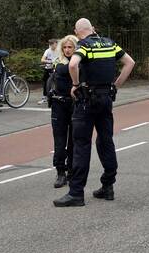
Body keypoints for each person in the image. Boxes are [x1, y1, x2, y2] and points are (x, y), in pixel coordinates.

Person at [54, 18, 135, 207]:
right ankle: (108, 186)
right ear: (93, 29)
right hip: (106, 99)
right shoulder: (109, 44)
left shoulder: (84, 46)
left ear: (76, 31)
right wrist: (115, 86)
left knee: (82, 144)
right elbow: (130, 62)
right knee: (106, 140)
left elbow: (73, 65)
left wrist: (75, 85)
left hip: (86, 100)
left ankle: (76, 193)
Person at [49, 35, 78, 188]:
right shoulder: (59, 62)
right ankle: (60, 172)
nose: (67, 50)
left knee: (74, 140)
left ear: (75, 48)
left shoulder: (79, 62)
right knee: (59, 141)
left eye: (70, 47)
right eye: (65, 47)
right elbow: (63, 70)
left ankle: (72, 170)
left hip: (74, 105)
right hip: (59, 104)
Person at [39, 39, 59, 104]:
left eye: (54, 44)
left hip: (56, 67)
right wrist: (49, 61)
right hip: (48, 67)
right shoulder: (47, 51)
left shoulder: (59, 50)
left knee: (59, 80)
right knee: (45, 81)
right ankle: (45, 96)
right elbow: (42, 59)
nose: (53, 46)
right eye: (51, 45)